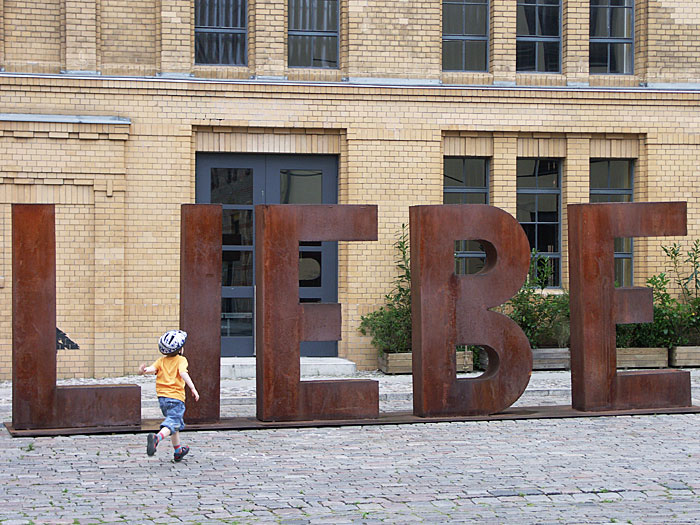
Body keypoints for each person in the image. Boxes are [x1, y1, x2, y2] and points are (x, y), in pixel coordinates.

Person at [139, 329, 200, 461]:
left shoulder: (161, 361)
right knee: (174, 422)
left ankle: (178, 451)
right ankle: (157, 438)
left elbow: (150, 370)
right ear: (179, 349)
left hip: (162, 399)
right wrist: (193, 388)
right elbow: (183, 373)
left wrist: (143, 370)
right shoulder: (181, 360)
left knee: (173, 424)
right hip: (176, 398)